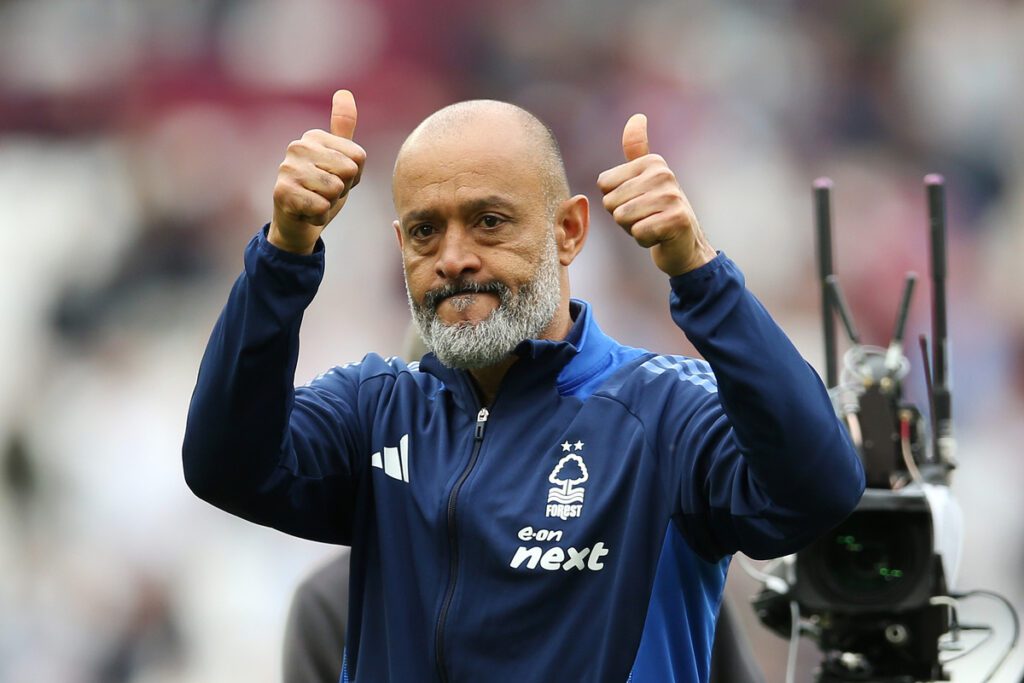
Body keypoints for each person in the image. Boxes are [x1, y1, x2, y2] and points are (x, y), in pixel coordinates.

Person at [183, 90, 865, 682]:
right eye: (425, 231)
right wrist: (284, 252)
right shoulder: (375, 410)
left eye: (489, 221)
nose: (453, 258)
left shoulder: (662, 416)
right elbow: (225, 465)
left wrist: (699, 274)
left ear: (568, 231)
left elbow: (819, 488)